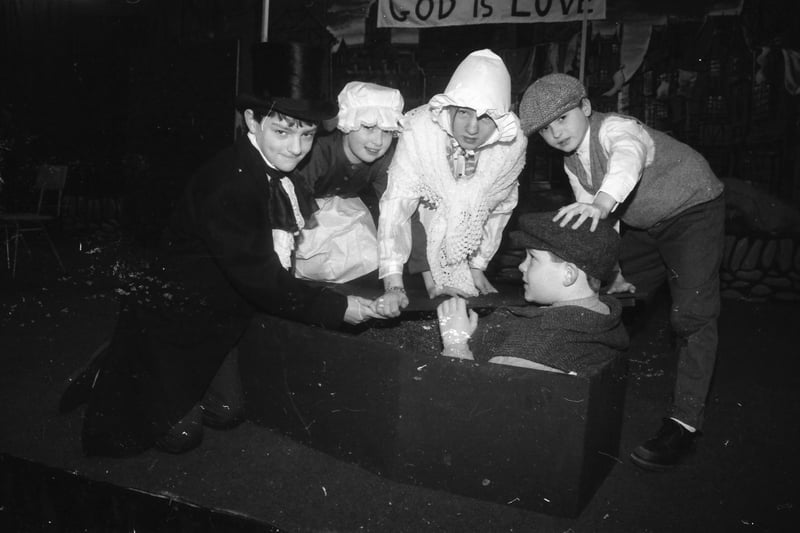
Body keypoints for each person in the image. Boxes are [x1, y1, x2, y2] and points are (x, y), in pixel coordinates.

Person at [60, 87, 383, 457]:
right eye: (282, 131)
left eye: (307, 135)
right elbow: (261, 279)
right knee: (179, 438)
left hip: (221, 314)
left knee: (228, 413)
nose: (296, 148)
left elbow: (275, 261)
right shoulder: (229, 182)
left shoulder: (279, 173)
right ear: (252, 121)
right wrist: (341, 307)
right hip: (172, 320)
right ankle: (113, 363)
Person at [518, 73, 725, 470]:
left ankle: (684, 423)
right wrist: (608, 267)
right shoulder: (572, 163)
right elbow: (598, 223)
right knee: (604, 293)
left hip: (694, 209)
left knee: (692, 316)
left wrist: (600, 203)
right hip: (646, 225)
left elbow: (626, 163)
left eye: (562, 118)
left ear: (585, 107)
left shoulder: (617, 128)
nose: (556, 132)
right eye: (544, 129)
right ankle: (576, 379)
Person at [374, 49, 528, 317]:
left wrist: (479, 264)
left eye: (485, 118)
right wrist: (393, 283)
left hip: (466, 241)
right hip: (411, 237)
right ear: (450, 110)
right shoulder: (420, 131)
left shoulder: (512, 145)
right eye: (464, 114)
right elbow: (396, 208)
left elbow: (501, 206)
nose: (472, 128)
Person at [436, 211, 629, 374]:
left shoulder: (531, 350)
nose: (521, 266)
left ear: (568, 274)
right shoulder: (606, 318)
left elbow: (471, 400)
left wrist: (456, 345)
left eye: (533, 258)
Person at [293, 81, 404, 283]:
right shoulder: (319, 151)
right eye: (369, 127)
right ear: (347, 124)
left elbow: (396, 211)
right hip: (302, 213)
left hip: (343, 209)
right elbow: (293, 204)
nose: (378, 142)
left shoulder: (384, 160)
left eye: (386, 131)